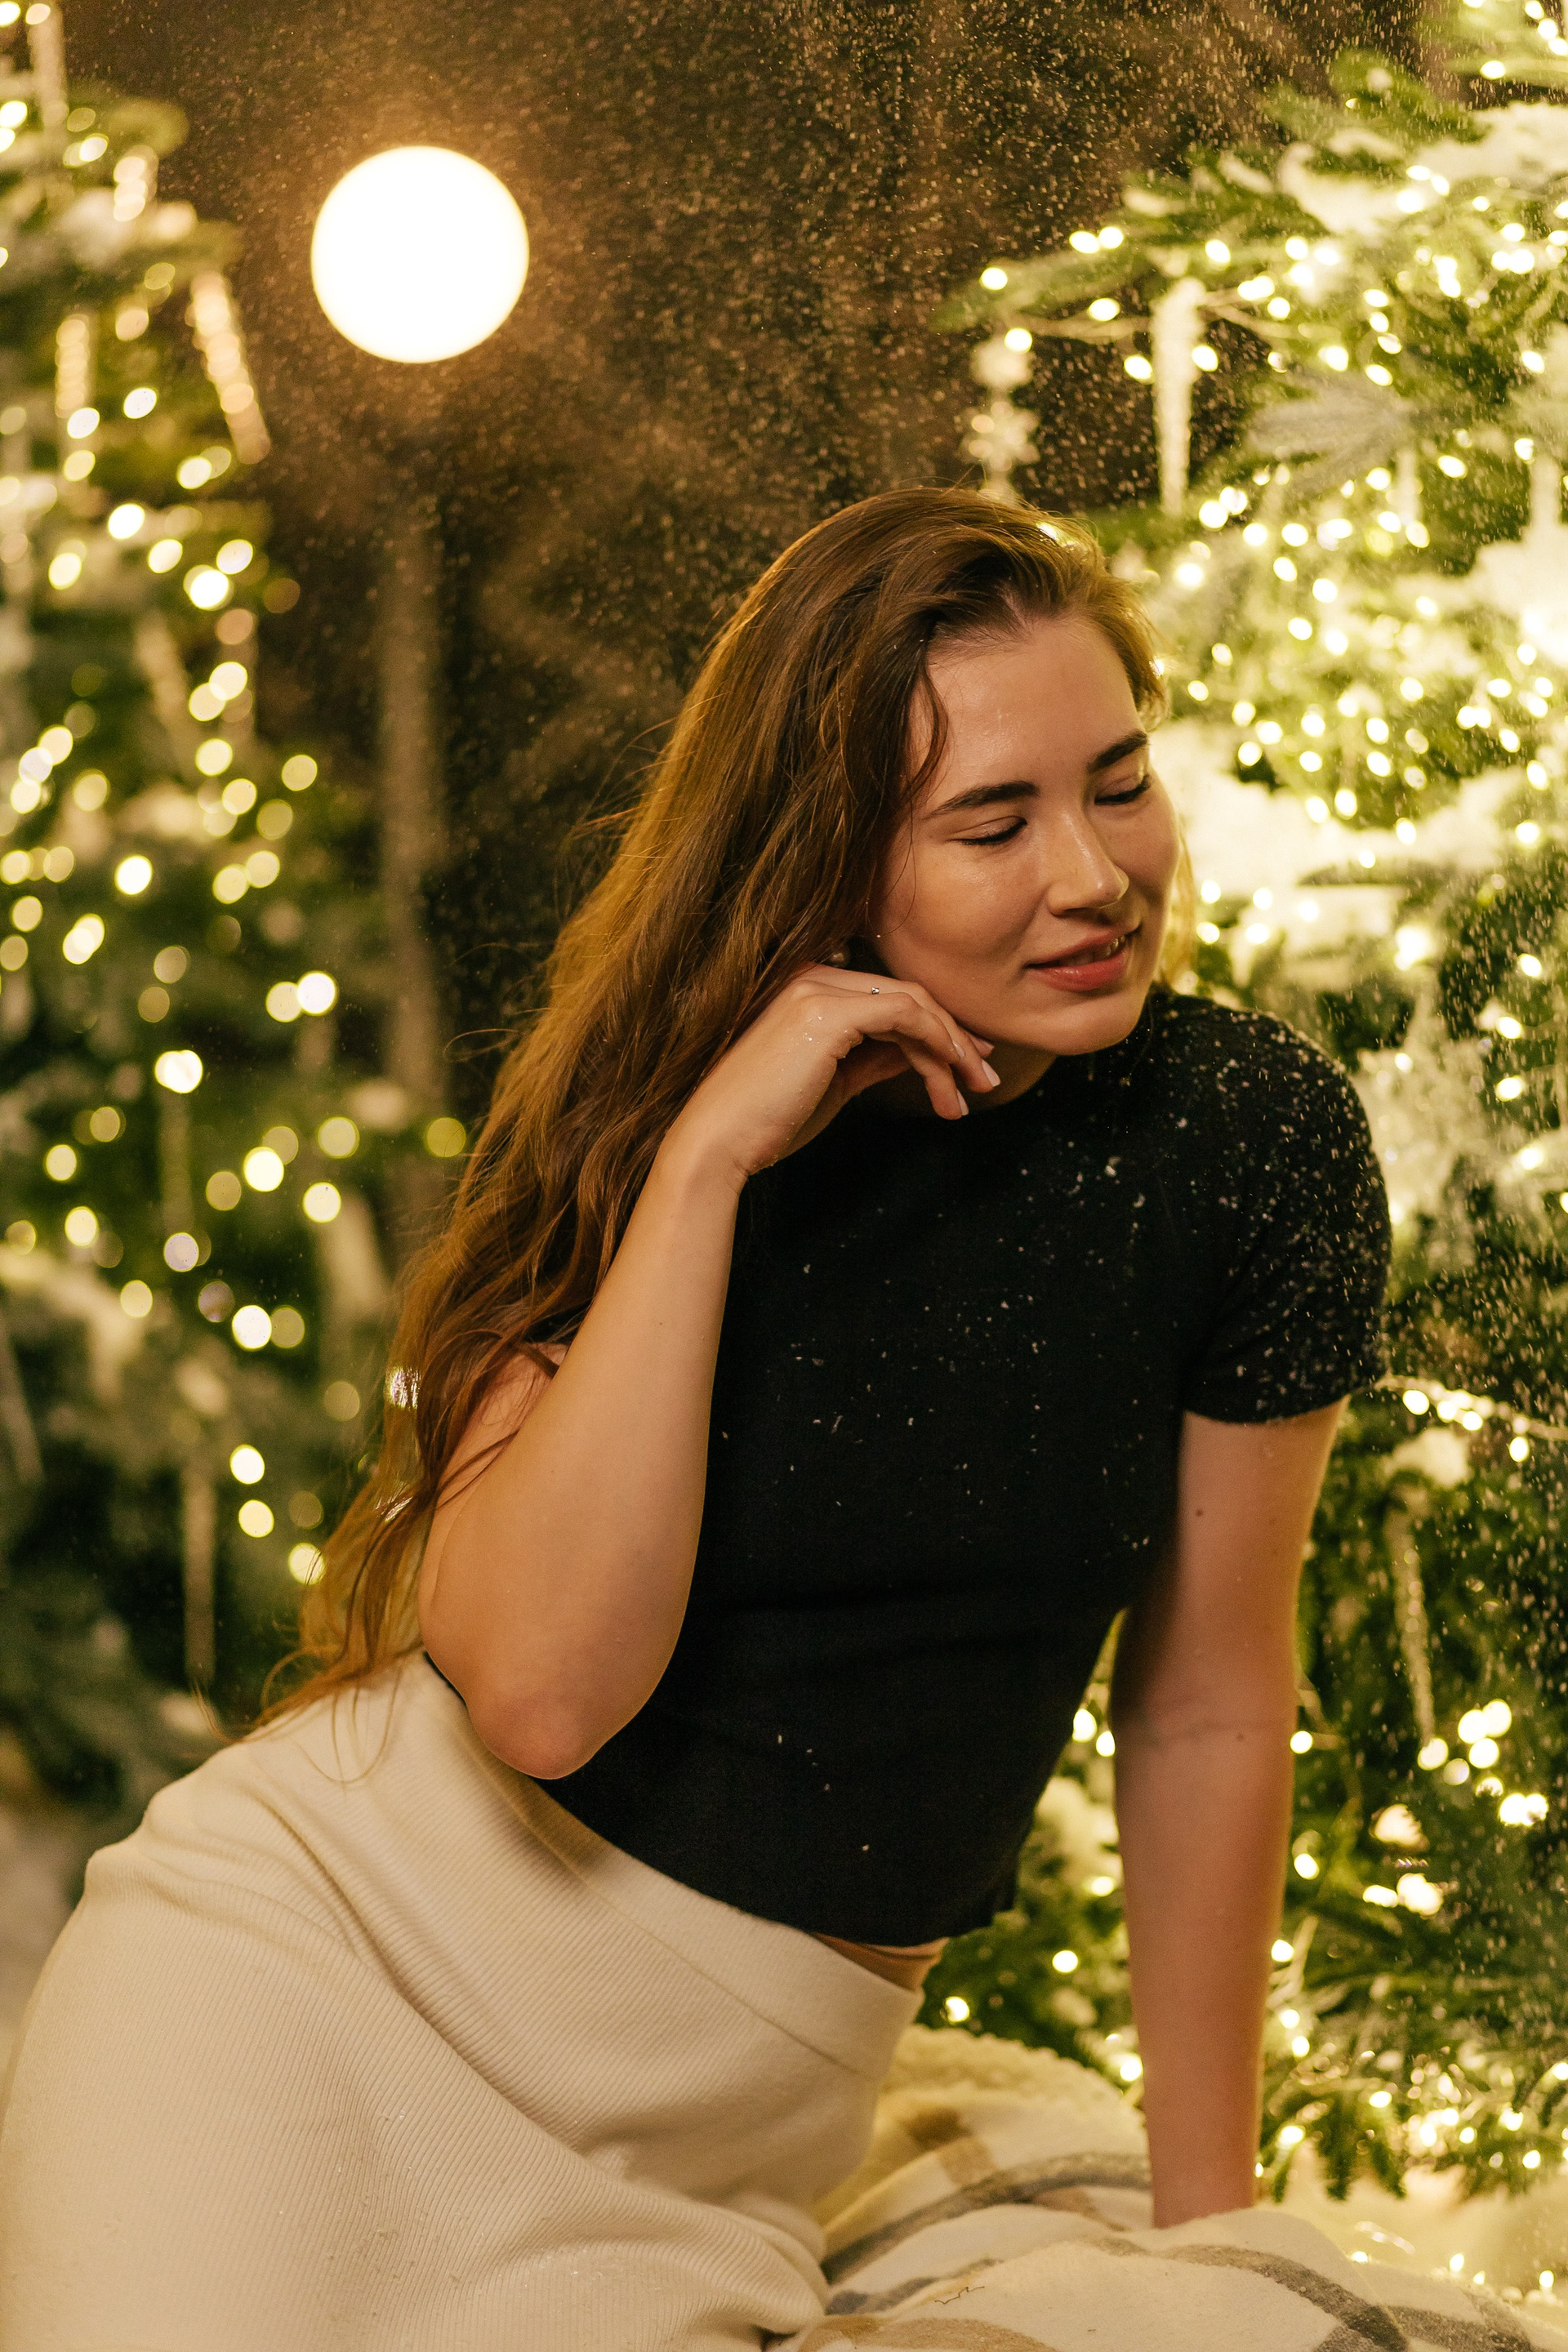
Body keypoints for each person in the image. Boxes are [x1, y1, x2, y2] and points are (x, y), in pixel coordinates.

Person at [0, 488, 1389, 2352]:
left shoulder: (1252, 1143)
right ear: (831, 858)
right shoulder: (654, 1117)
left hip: (713, 2156)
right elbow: (542, 1696)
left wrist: (1213, 2231)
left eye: (1120, 784)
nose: (1093, 873)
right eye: (994, 822)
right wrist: (706, 1164)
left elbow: (1208, 1700)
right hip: (300, 1984)